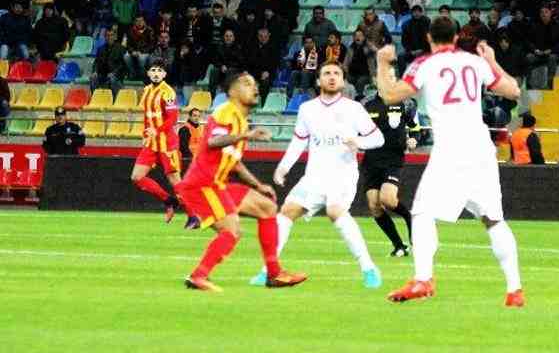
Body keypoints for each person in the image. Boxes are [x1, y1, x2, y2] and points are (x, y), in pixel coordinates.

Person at [375, 17, 525, 307]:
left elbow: (390, 96)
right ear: (456, 37)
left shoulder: (424, 64)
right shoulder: (475, 62)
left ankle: (423, 279)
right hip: (481, 149)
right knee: (493, 219)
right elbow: (513, 91)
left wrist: (382, 63)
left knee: (422, 213)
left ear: (429, 38)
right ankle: (514, 290)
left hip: (451, 149)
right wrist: (492, 60)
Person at [249, 61, 385, 288]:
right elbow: (299, 141)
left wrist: (358, 141)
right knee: (287, 211)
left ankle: (369, 268)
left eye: (336, 73)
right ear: (318, 80)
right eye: (327, 73)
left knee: (334, 211)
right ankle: (268, 271)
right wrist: (284, 167)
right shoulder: (307, 109)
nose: (332, 77)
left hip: (342, 175)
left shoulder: (354, 109)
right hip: (314, 176)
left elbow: (378, 138)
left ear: (343, 80)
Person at [177, 71, 308, 292]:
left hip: (218, 184)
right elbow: (213, 142)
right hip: (203, 185)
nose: (254, 88)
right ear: (232, 91)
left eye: (255, 83)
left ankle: (274, 274)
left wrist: (257, 185)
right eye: (247, 83)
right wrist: (245, 136)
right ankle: (198, 276)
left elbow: (234, 164)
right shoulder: (226, 112)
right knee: (231, 231)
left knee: (267, 207)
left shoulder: (240, 121)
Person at [361, 90, 418, 256]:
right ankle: (399, 246)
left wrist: (414, 138)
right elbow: (355, 128)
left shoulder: (405, 103)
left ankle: (409, 217)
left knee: (388, 200)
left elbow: (415, 127)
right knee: (374, 205)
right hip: (371, 160)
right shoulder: (366, 104)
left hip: (393, 159)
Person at [130, 59, 186, 224]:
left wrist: (157, 130)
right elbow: (147, 116)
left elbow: (173, 118)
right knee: (136, 177)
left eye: (159, 71)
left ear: (164, 74)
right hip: (151, 143)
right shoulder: (147, 90)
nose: (156, 73)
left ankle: (194, 215)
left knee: (175, 181)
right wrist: (145, 133)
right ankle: (169, 201)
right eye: (153, 70)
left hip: (167, 143)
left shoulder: (168, 92)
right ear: (148, 73)